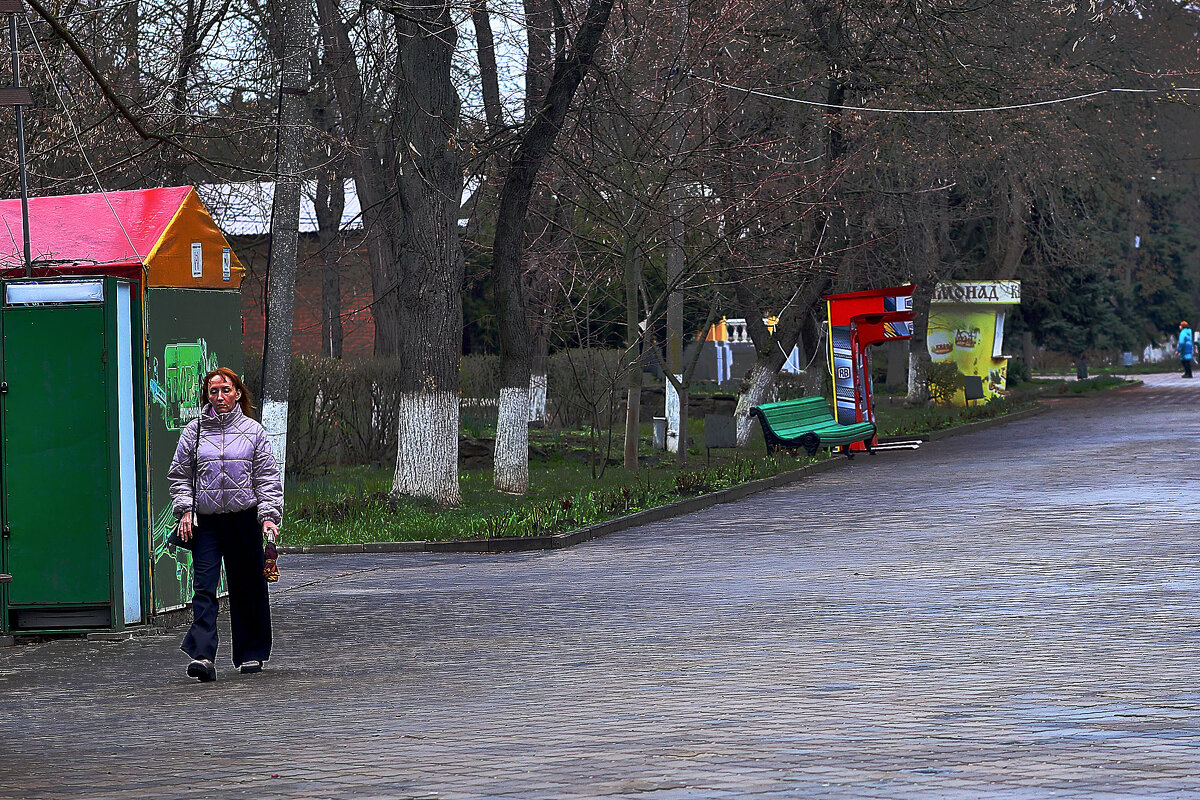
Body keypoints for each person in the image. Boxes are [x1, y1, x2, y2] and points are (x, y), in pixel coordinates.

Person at [168, 367, 283, 682]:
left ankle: (250, 653)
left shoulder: (253, 431)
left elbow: (267, 478)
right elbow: (181, 475)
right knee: (204, 587)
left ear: (238, 393)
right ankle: (203, 656)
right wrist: (185, 512)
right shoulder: (194, 431)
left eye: (226, 390)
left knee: (247, 586)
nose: (220, 397)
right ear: (206, 395)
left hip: (243, 519)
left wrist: (269, 517)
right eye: (213, 391)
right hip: (205, 523)